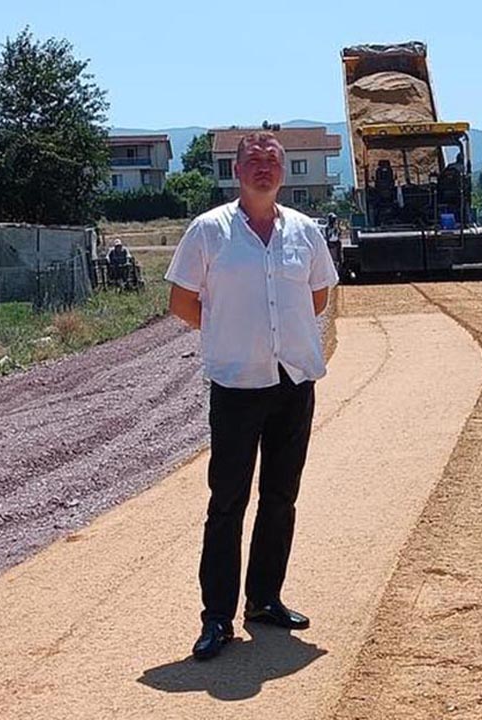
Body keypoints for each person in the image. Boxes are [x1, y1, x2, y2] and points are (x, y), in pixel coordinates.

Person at [165, 131, 340, 661]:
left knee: (281, 497)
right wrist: (230, 337)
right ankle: (217, 617)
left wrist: (276, 340)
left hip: (293, 383)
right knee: (227, 503)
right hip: (237, 386)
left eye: (272, 161)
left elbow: (317, 295)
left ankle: (264, 599)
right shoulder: (209, 231)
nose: (264, 169)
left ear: (283, 173)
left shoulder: (305, 231)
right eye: (253, 162)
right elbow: (182, 301)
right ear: (236, 171)